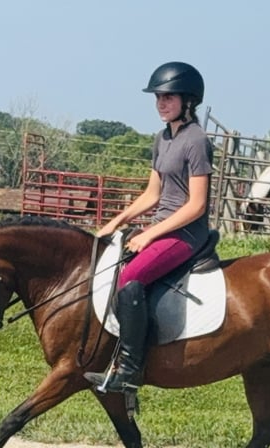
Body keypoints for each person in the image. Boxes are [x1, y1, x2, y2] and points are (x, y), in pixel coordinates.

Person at [84, 61, 213, 394]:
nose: (161, 103)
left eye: (168, 97)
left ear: (188, 101)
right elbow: (152, 194)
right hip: (162, 227)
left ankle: (129, 368)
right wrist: (115, 223)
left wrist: (150, 234)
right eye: (158, 97)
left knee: (130, 279)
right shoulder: (162, 138)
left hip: (186, 234)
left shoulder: (196, 140)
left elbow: (196, 205)